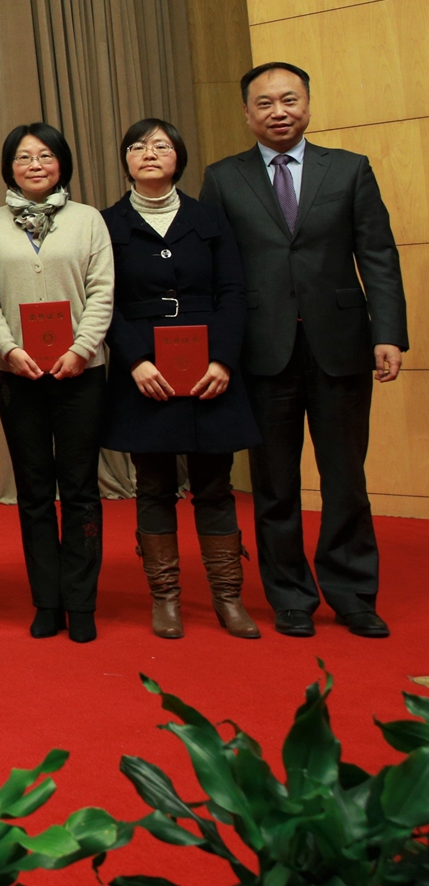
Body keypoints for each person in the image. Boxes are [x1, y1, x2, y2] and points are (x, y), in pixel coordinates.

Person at [200, 63, 408, 639]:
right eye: (264, 103)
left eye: (289, 100)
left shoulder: (349, 169)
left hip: (341, 345)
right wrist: (220, 348)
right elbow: (216, 271)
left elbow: (378, 255)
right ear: (247, 114)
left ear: (308, 105)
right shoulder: (223, 178)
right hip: (262, 349)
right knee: (274, 482)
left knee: (346, 478)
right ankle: (290, 594)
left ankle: (353, 594)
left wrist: (388, 333)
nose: (279, 112)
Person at [101, 117, 261, 639]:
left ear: (179, 158)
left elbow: (233, 291)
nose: (149, 153)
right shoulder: (107, 224)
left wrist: (223, 359)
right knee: (153, 485)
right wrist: (135, 360)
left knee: (215, 485)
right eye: (137, 147)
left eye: (161, 145)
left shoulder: (209, 218)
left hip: (209, 364)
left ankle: (228, 597)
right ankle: (165, 598)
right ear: (126, 161)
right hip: (144, 368)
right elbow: (104, 300)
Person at [0, 123, 115, 643]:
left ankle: (81, 601)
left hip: (82, 373)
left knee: (79, 490)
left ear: (62, 163)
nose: (35, 164)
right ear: (9, 167)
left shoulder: (88, 220)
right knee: (33, 492)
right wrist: (8, 349)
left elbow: (102, 292)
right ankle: (47, 601)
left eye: (45, 155)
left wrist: (81, 349)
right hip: (18, 375)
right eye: (23, 157)